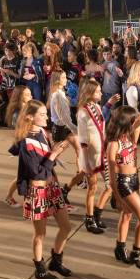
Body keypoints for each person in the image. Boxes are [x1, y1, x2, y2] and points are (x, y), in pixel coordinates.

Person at [8, 100, 73, 279]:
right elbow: (37, 172)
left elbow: (47, 167)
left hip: (51, 188)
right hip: (37, 191)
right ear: (30, 117)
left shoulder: (43, 132)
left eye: (46, 113)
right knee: (40, 234)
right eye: (42, 114)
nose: (47, 117)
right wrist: (53, 154)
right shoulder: (27, 142)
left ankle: (56, 261)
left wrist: (53, 156)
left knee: (66, 227)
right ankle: (40, 268)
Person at [106, 105, 140, 268]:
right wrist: (117, 197)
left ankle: (120, 247)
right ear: (126, 120)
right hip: (123, 182)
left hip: (134, 179)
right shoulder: (113, 144)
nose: (136, 120)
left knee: (127, 215)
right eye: (133, 118)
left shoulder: (129, 135)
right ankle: (136, 253)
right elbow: (112, 177)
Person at [77, 80, 114, 234]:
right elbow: (83, 139)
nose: (101, 93)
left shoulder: (97, 107)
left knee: (110, 185)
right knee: (93, 187)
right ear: (89, 93)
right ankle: (89, 218)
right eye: (98, 91)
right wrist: (85, 164)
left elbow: (101, 127)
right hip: (90, 156)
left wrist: (109, 104)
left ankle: (97, 213)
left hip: (102, 153)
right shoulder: (83, 112)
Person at [47, 71, 85, 208]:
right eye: (63, 77)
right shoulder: (57, 95)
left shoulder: (61, 93)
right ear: (57, 80)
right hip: (61, 128)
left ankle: (80, 176)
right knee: (54, 154)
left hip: (66, 128)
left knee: (79, 148)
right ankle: (44, 170)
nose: (65, 79)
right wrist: (75, 128)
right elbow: (63, 117)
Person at [4, 86, 33, 208]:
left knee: (29, 175)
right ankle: (9, 196)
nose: (31, 95)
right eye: (27, 94)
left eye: (30, 93)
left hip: (31, 144)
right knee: (24, 175)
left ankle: (29, 199)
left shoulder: (27, 108)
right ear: (20, 96)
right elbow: (20, 133)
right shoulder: (18, 112)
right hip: (25, 146)